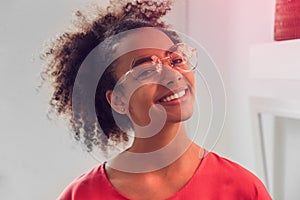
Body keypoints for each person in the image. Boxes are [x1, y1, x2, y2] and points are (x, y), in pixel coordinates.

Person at [42, 0, 271, 199]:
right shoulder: (82, 195)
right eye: (145, 71)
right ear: (118, 100)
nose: (172, 76)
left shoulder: (243, 189)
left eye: (176, 60)